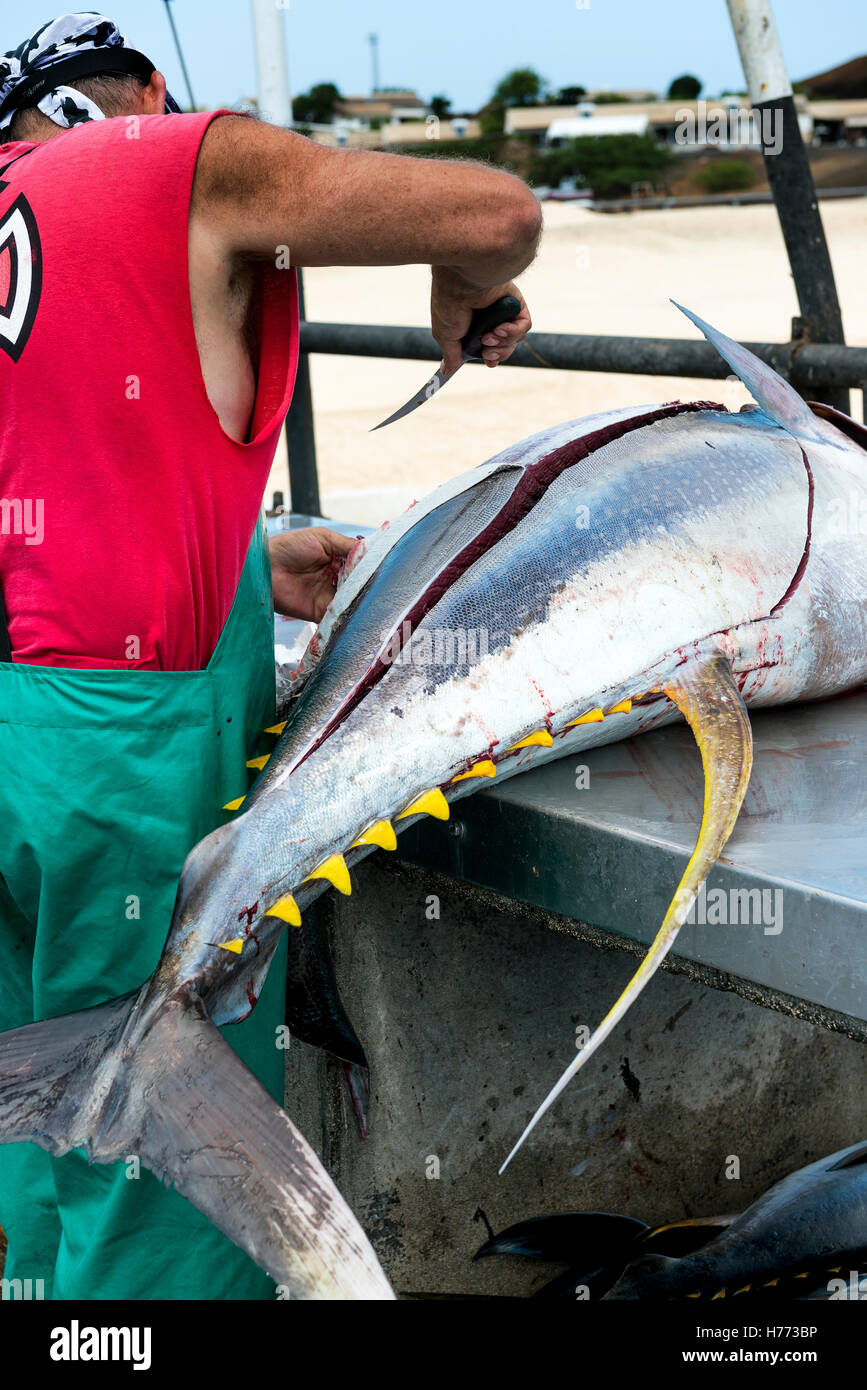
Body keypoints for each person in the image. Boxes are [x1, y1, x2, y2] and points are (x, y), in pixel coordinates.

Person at [0, 13, 539, 1300]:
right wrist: (463, 293)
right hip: (124, 756)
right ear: (142, 93)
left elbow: (55, 477)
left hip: (28, 736)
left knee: (39, 1093)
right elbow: (497, 216)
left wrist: (250, 567)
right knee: (162, 1143)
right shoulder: (162, 166)